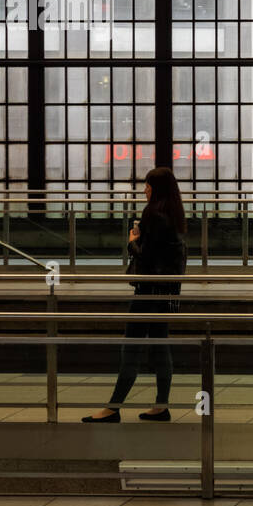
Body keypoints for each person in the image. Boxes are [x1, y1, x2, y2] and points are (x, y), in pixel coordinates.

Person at [84, 167, 187, 423]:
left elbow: (147, 256)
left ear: (157, 188)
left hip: (147, 292)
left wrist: (132, 240)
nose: (144, 190)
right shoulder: (174, 214)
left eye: (148, 185)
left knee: (131, 347)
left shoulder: (152, 213)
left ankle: (113, 407)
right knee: (160, 347)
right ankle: (161, 405)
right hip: (165, 294)